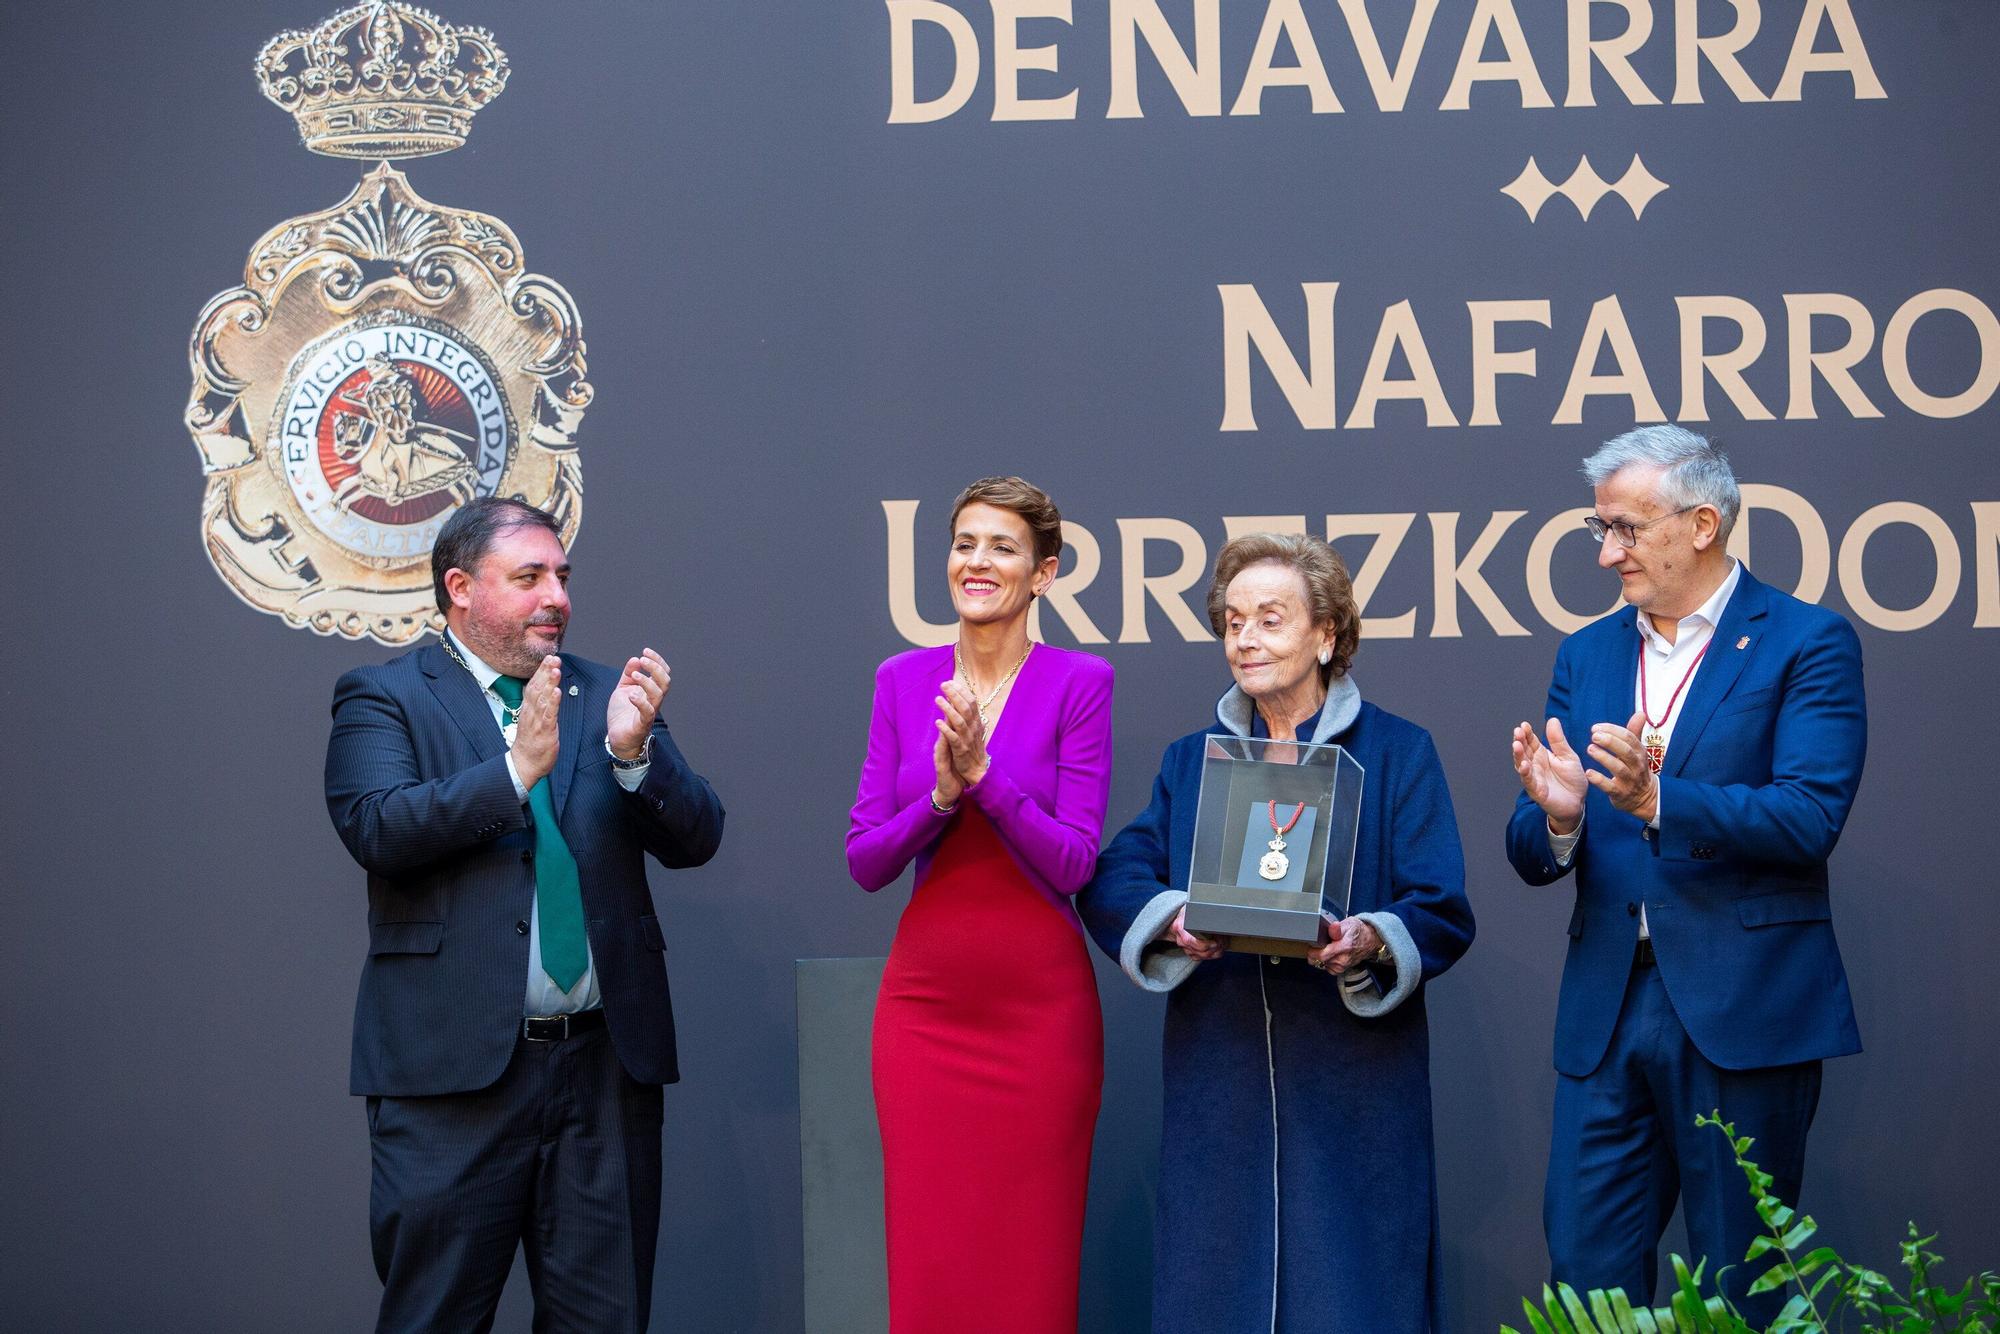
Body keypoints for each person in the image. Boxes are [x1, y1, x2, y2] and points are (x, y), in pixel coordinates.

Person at [324, 497, 724, 1333]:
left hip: (603, 1077)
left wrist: (631, 756)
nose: (557, 597)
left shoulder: (608, 694)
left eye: (563, 577)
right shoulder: (385, 697)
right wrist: (513, 771)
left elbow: (698, 837)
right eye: (530, 577)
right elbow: (377, 826)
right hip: (451, 1081)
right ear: (461, 587)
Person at [1506, 426, 1866, 1321]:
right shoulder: (1585, 655)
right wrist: (1557, 817)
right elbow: (1531, 851)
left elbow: (1809, 816)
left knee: (1743, 1291)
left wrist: (1663, 800)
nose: (1605, 552)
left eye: (1626, 529)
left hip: (1741, 1010)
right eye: (1601, 527)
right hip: (1605, 1011)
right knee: (1585, 1289)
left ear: (1702, 523)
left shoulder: (1805, 642)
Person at [1077, 532, 1474, 1334]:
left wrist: (1369, 939)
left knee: (1357, 1297)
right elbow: (1115, 874)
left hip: (1356, 1084)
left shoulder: (1400, 753)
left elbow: (1441, 906)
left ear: (1326, 634)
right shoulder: (1192, 761)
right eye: (1232, 622)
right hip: (1220, 1078)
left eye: (1269, 619)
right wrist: (1174, 920)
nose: (1246, 639)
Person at [846, 476, 1114, 1333]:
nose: (977, 561)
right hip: (926, 1014)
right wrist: (936, 797)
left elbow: (1074, 862)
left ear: (1044, 572)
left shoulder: (1080, 681)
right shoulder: (901, 679)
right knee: (932, 1270)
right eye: (965, 543)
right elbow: (864, 861)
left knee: (1030, 1276)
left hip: (1039, 1016)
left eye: (1002, 547)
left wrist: (987, 782)